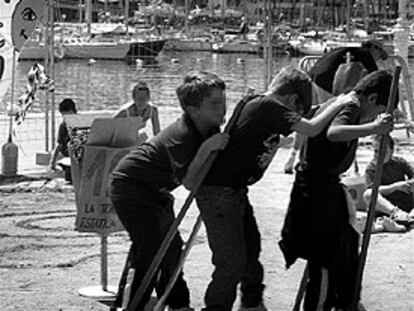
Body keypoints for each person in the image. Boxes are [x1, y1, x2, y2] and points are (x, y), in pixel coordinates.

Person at [187, 67, 358, 311]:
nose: (295, 116)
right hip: (219, 193)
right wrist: (341, 102)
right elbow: (310, 127)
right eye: (295, 110)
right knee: (231, 262)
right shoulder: (268, 106)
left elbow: (292, 133)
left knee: (251, 248)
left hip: (234, 191)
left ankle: (252, 303)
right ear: (290, 100)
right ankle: (216, 307)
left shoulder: (264, 109)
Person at [109, 71, 229, 311]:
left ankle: (177, 302)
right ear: (193, 109)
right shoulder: (183, 135)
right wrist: (206, 149)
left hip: (157, 192)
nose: (222, 109)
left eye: (224, 101)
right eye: (215, 104)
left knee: (171, 248)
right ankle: (130, 305)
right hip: (131, 187)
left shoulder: (210, 128)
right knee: (150, 250)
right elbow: (191, 182)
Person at [279, 70, 395, 311]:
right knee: (324, 260)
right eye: (378, 109)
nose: (373, 117)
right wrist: (374, 127)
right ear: (372, 99)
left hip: (327, 187)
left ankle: (347, 302)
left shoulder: (344, 101)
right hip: (315, 190)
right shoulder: (350, 105)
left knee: (348, 246)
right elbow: (334, 133)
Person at [284, 39, 389, 174]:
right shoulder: (365, 56)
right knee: (332, 122)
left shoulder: (348, 49)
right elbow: (375, 85)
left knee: (312, 119)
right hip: (327, 85)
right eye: (380, 55)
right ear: (374, 48)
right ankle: (325, 161)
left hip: (311, 78)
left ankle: (293, 156)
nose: (378, 59)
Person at [363, 134, 414, 228]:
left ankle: (410, 217)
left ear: (391, 151)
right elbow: (373, 189)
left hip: (405, 202)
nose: (379, 155)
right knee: (368, 194)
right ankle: (396, 214)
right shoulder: (372, 168)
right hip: (386, 207)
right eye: (376, 151)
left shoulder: (399, 162)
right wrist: (396, 186)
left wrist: (410, 184)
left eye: (383, 151)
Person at [49, 98, 77, 182]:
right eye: (63, 115)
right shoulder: (64, 125)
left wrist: (52, 162)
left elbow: (59, 145)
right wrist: (52, 162)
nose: (65, 118)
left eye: (66, 114)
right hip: (69, 156)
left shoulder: (68, 124)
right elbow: (59, 144)